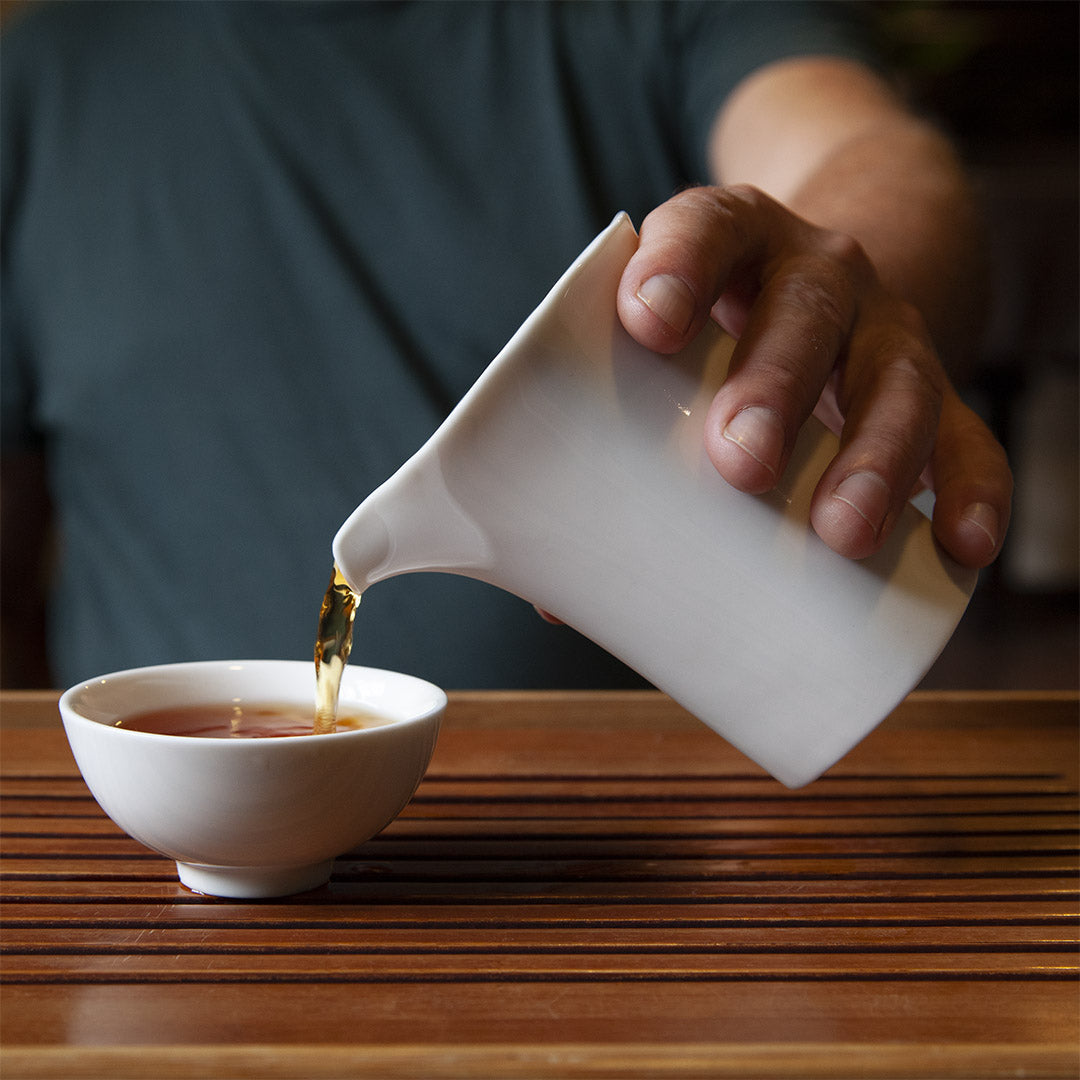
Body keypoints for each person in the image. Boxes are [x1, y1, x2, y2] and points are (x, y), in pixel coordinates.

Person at [1, 0, 1011, 691]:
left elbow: (861, 154)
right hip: (154, 882)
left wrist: (842, 289)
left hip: (654, 855)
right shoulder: (39, 83)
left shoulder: (653, 19)